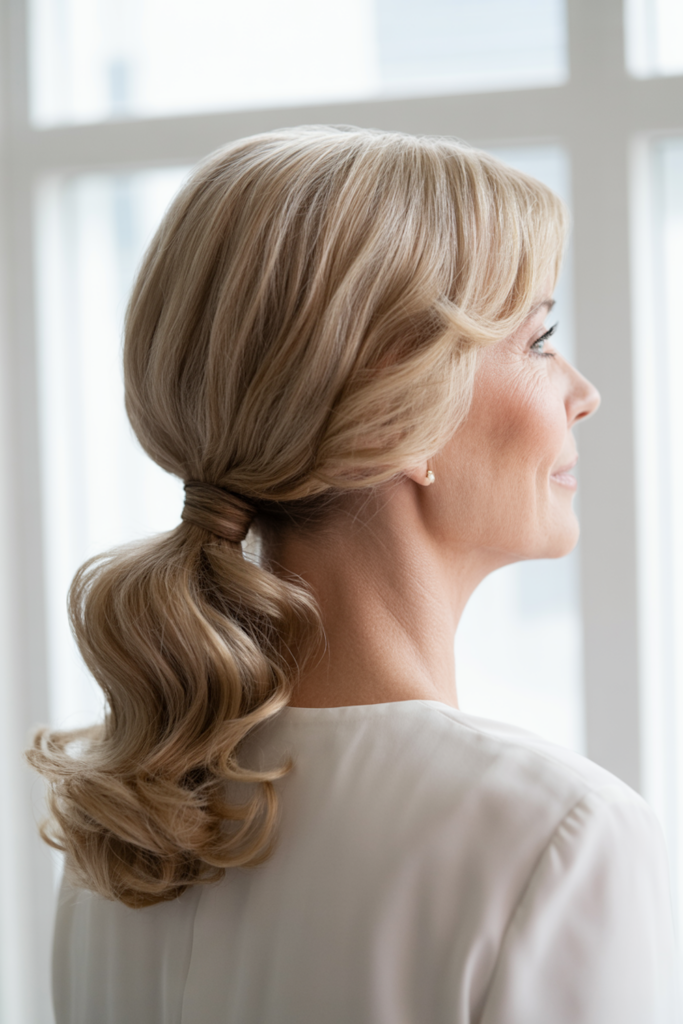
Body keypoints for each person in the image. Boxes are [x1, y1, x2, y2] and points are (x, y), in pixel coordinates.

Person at [29, 126, 679, 1023]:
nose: (581, 390)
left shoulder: (130, 830)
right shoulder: (561, 836)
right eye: (537, 340)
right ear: (406, 409)